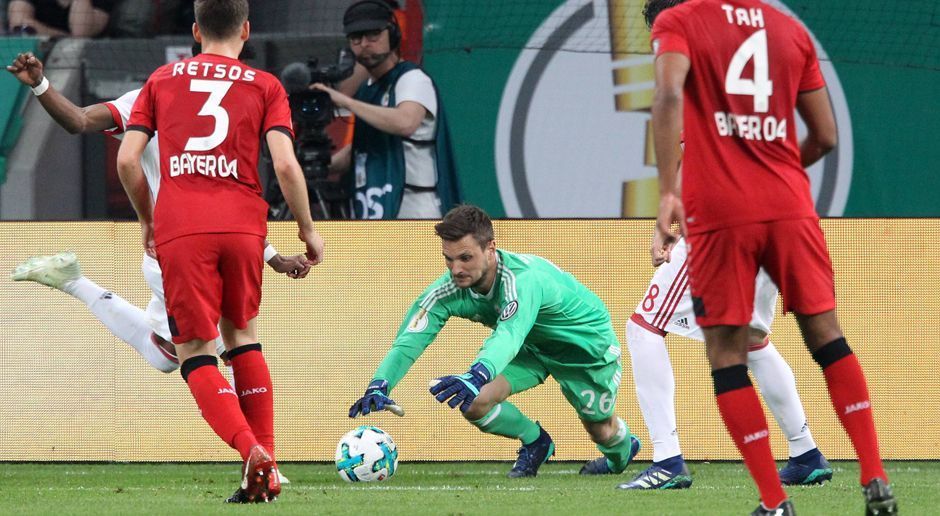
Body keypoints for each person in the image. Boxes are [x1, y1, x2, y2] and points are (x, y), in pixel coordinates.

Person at [646, 0, 896, 514]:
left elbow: (669, 93)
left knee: (727, 354)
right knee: (827, 337)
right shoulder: (790, 29)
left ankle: (774, 501)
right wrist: (774, 172)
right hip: (790, 206)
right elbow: (825, 136)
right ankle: (874, 474)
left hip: (720, 211)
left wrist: (669, 191)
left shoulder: (680, 20)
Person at [117, 0, 323, 503]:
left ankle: (252, 452)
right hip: (244, 225)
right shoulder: (265, 85)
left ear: (194, 30)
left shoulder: (162, 79)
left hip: (183, 225)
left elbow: (127, 158)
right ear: (246, 30)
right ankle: (270, 459)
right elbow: (287, 166)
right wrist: (307, 229)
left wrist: (148, 218)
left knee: (194, 349)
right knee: (242, 334)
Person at [6, 52, 311, 379]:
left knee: (164, 355)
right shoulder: (156, 97)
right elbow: (80, 120)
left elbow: (225, 203)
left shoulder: (175, 100)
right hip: (177, 254)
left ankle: (72, 280)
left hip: (197, 247)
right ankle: (255, 433)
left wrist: (274, 257)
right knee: (236, 351)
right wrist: (39, 84)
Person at [349, 204, 640, 478]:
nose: (456, 269)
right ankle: (536, 441)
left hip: (582, 347)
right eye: (449, 259)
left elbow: (508, 334)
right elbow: (410, 339)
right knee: (474, 402)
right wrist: (380, 383)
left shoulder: (522, 281)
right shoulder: (449, 289)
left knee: (601, 430)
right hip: (531, 346)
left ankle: (621, 455)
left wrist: (477, 373)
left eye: (465, 258)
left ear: (490, 249)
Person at [619, 234, 832, 489]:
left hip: (726, 229)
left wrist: (673, 225)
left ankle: (667, 460)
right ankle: (805, 453)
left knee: (644, 326)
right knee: (750, 340)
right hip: (779, 233)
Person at [312, 0, 460, 220]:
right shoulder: (367, 89)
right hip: (375, 214)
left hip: (416, 215)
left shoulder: (412, 78)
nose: (364, 44)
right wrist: (310, 166)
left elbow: (405, 122)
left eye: (373, 35)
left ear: (392, 35)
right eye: (356, 38)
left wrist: (346, 101)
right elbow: (361, 149)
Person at [7, 0, 115, 37]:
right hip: (35, 53)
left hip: (82, 57)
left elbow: (81, 32)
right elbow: (19, 23)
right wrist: (62, 37)